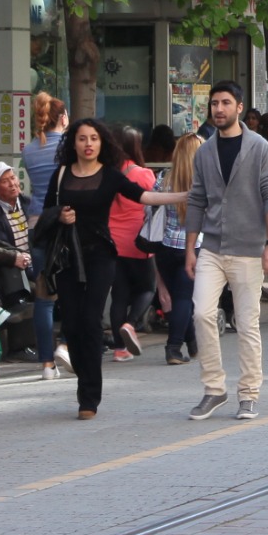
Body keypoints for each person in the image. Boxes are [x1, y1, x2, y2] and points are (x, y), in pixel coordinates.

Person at [42, 120, 187, 420]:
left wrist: (183, 197)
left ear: (102, 143)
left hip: (101, 257)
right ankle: (85, 373)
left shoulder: (110, 176)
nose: (88, 144)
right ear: (74, 144)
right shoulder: (61, 176)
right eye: (82, 139)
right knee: (71, 322)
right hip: (68, 257)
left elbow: (144, 196)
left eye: (93, 138)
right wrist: (61, 216)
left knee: (91, 319)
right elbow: (45, 212)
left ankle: (89, 398)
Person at [181, 83, 268, 421]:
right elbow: (196, 199)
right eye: (214, 104)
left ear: (239, 107)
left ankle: (249, 393)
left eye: (225, 103)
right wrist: (190, 247)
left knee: (247, 323)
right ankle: (214, 389)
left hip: (249, 249)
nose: (218, 109)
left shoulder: (258, 147)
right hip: (211, 245)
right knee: (202, 314)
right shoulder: (204, 152)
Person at [0, 161, 47, 368]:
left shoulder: (28, 204)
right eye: (5, 181)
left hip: (33, 260)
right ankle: (20, 347)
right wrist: (19, 256)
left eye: (13, 178)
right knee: (27, 291)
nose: (12, 184)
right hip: (12, 266)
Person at [104, 126, 163, 361]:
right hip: (138, 242)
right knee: (148, 287)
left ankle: (120, 349)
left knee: (119, 295)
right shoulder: (142, 174)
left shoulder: (108, 173)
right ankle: (131, 324)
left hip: (112, 242)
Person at [152, 127, 200, 364]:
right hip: (192, 248)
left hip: (165, 246)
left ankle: (192, 344)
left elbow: (150, 208)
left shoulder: (162, 178)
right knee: (183, 298)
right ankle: (173, 349)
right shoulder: (202, 182)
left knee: (180, 297)